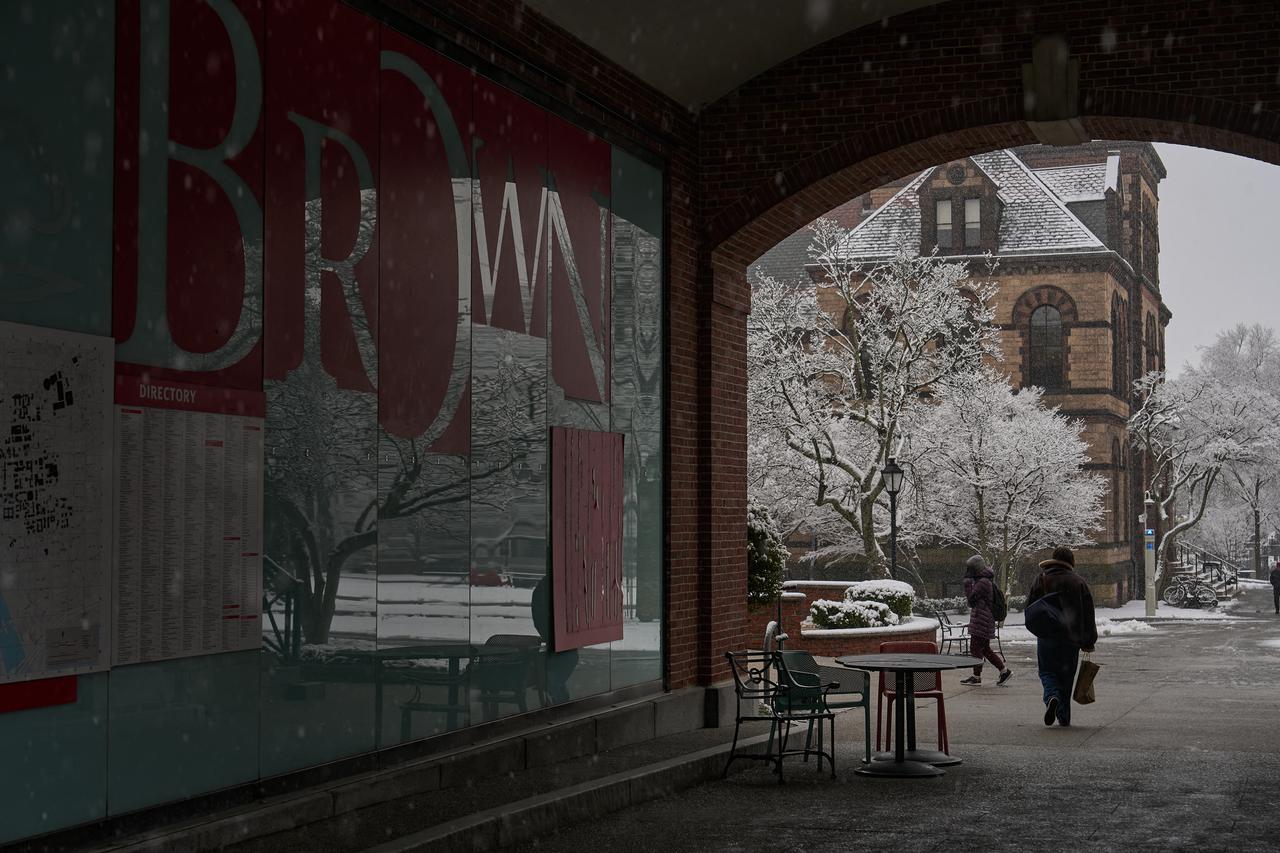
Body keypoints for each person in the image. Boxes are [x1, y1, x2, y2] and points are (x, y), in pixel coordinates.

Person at [1026, 546, 1097, 727]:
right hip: (1070, 638)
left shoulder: (1041, 579)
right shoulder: (1078, 582)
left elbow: (1030, 607)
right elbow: (1088, 614)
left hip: (1047, 636)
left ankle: (1051, 696)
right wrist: (1089, 640)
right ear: (1071, 561)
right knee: (1066, 676)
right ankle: (1064, 718)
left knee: (1047, 671)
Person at [959, 554, 1013, 687]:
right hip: (984, 619)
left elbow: (971, 600)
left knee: (976, 648)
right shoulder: (985, 580)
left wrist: (967, 584)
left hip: (982, 620)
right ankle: (1004, 671)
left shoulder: (982, 582)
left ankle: (977, 677)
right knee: (985, 649)